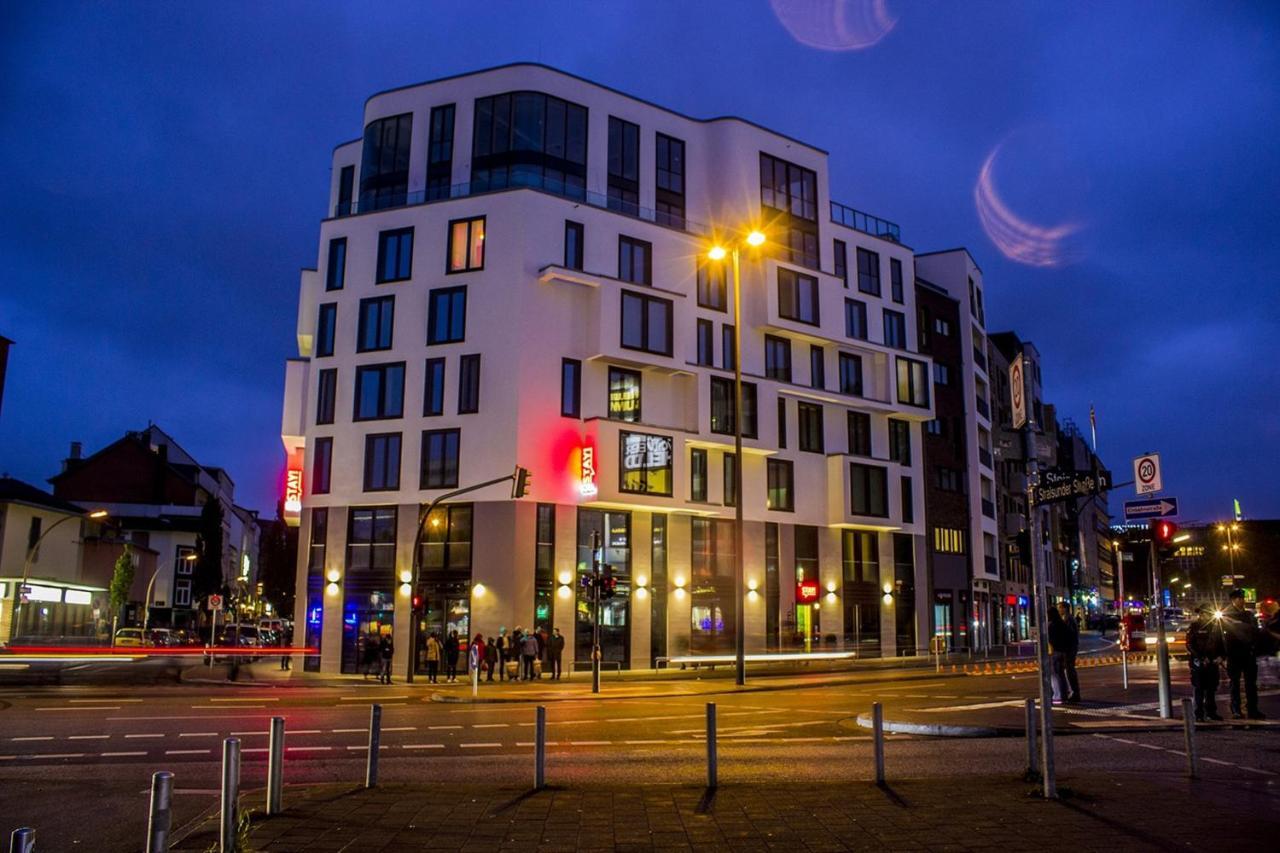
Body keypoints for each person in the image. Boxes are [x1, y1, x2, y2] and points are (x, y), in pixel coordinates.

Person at [1222, 589, 1264, 719]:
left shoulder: (1248, 614)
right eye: (1239, 598)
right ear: (1233, 600)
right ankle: (1236, 709)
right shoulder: (1226, 614)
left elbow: (1255, 631)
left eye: (1243, 598)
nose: (1242, 601)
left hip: (1247, 652)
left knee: (1251, 683)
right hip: (1233, 652)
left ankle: (1252, 709)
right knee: (1234, 683)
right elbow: (1221, 635)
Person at [1185, 606, 1224, 721]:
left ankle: (1211, 712)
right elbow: (1190, 645)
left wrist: (1221, 657)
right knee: (1199, 688)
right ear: (1201, 614)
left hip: (1213, 661)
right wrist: (1201, 658)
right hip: (1199, 663)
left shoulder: (1216, 627)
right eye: (1206, 614)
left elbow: (1221, 643)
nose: (1208, 616)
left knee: (1212, 688)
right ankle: (1199, 714)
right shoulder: (1194, 627)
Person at [1057, 601, 1081, 703]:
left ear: (1065, 609)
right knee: (1069, 670)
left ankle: (1075, 693)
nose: (1059, 610)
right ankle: (1073, 692)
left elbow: (1069, 635)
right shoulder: (1068, 619)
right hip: (1070, 648)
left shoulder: (1068, 620)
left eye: (1060, 608)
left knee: (1070, 670)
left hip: (1069, 649)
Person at [1046, 605, 1070, 704]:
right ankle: (1064, 694)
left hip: (1054, 651)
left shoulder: (1051, 625)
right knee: (1061, 674)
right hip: (1063, 651)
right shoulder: (1062, 623)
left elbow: (1050, 639)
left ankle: (1057, 695)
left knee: (1054, 675)